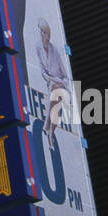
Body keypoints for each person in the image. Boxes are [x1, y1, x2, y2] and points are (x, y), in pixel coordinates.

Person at [36, 18, 72, 147]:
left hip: (61, 83)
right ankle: (49, 132)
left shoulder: (55, 50)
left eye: (46, 32)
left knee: (57, 93)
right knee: (56, 97)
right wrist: (52, 80)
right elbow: (43, 72)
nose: (44, 35)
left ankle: (47, 128)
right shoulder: (38, 48)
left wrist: (58, 81)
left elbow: (65, 76)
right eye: (42, 32)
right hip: (51, 83)